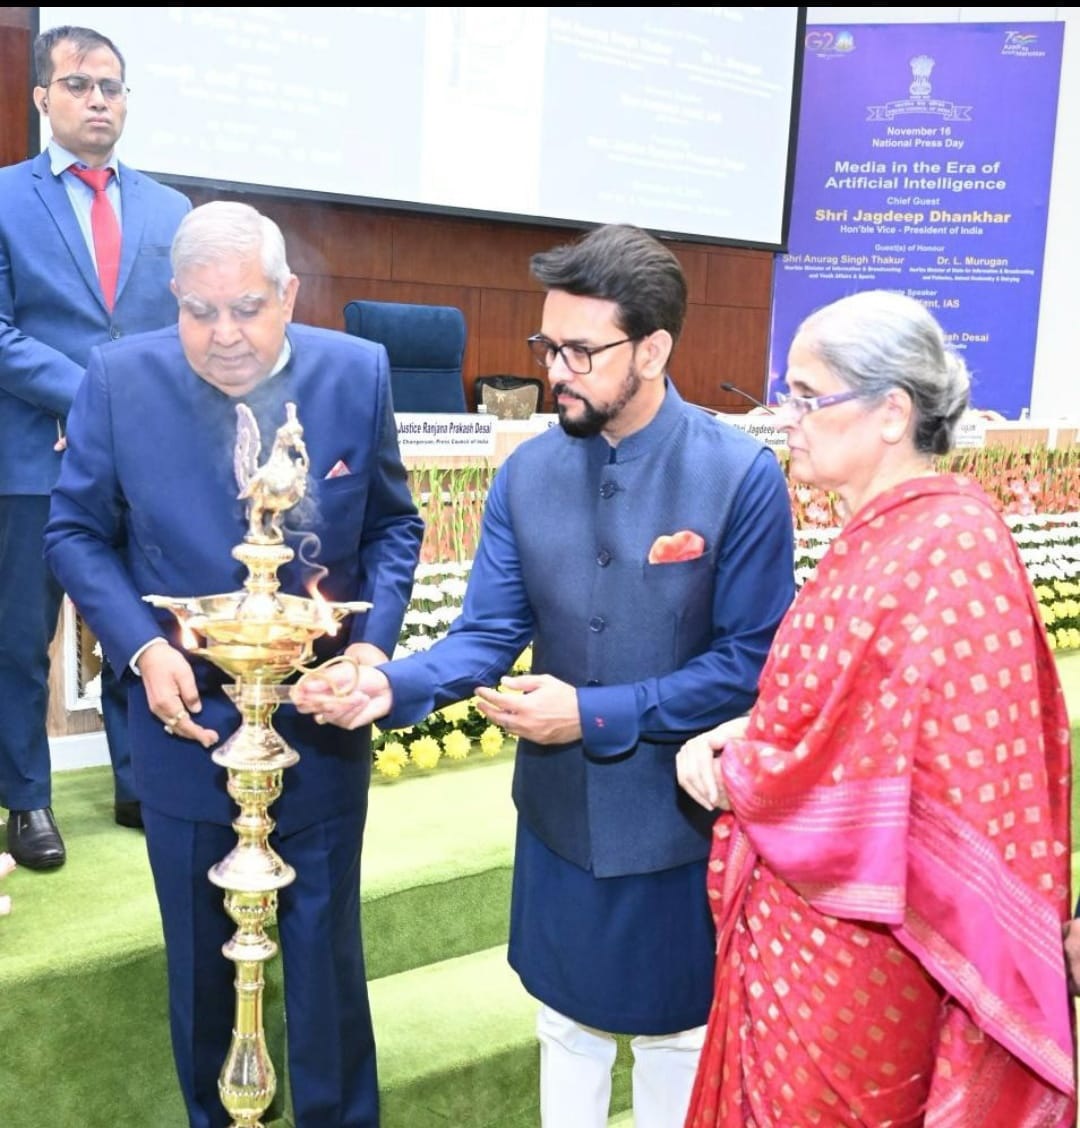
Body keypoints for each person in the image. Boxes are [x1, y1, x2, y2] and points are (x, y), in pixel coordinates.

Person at [291, 222, 797, 1127]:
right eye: (547, 345)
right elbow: (487, 632)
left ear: (654, 349)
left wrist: (594, 713)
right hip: (559, 818)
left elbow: (750, 664)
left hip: (682, 823)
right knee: (565, 1029)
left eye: (581, 350)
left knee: (681, 1039)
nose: (555, 369)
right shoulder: (526, 474)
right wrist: (389, 688)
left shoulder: (739, 474)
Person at [43, 200, 424, 1128]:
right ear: (173, 300)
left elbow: (392, 525)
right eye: (199, 311)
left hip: (319, 717)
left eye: (248, 308)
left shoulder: (355, 371)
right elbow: (76, 531)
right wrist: (138, 645)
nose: (223, 336)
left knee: (326, 955)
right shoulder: (118, 379)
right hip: (186, 722)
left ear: (288, 294)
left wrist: (372, 646)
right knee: (201, 962)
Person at [675, 289, 1076, 1127]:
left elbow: (943, 775)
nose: (786, 417)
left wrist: (736, 769)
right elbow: (864, 724)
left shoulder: (950, 546)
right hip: (807, 931)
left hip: (867, 949)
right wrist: (749, 735)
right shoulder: (886, 536)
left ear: (892, 412)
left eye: (807, 396)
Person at [0, 24, 192, 865]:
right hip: (30, 456)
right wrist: (96, 397)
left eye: (112, 86)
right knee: (18, 635)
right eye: (79, 84)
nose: (98, 100)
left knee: (135, 625)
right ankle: (26, 800)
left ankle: (138, 779)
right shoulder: (4, 197)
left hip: (139, 462)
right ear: (43, 97)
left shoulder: (170, 210)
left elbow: (186, 331)